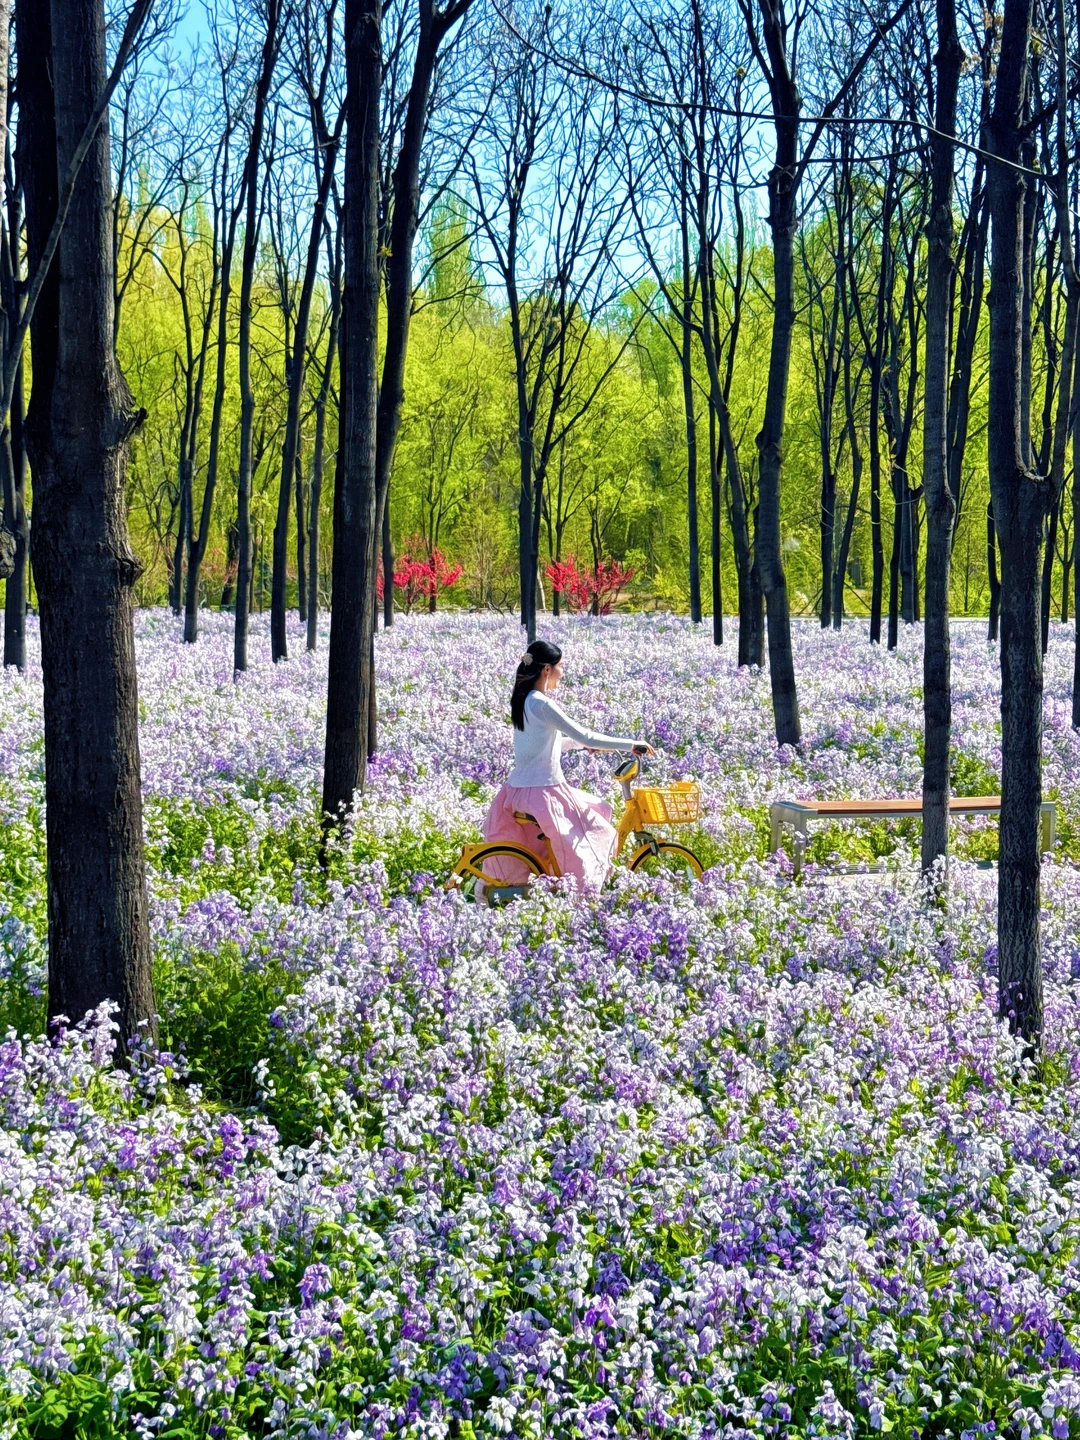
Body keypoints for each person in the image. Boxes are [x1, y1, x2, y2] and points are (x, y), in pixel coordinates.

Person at [482, 639, 654, 890]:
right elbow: (586, 734)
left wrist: (578, 745)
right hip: (543, 791)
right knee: (598, 829)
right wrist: (631, 744)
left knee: (601, 807)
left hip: (520, 791)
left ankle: (554, 875)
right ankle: (581, 890)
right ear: (547, 670)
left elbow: (543, 745)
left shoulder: (524, 701)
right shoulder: (542, 703)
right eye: (560, 666)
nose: (563, 673)